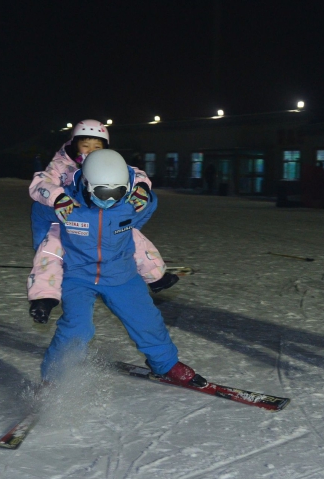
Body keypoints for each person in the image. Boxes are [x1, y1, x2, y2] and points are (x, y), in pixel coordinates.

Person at [34, 149, 206, 387]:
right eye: (104, 192)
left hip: (121, 274)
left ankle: (165, 364)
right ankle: (53, 378)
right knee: (77, 327)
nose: (112, 198)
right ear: (86, 183)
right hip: (77, 276)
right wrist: (44, 295)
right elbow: (43, 227)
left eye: (119, 192)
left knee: (146, 319)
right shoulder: (67, 205)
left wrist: (144, 190)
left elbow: (139, 225)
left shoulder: (129, 204)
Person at [28, 120, 178, 324]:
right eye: (85, 145)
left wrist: (141, 188)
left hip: (106, 215)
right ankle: (43, 298)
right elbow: (40, 184)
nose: (90, 151)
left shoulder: (109, 162)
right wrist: (57, 197)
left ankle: (156, 276)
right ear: (74, 144)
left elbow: (136, 174)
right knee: (51, 250)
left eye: (97, 147)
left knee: (132, 238)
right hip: (69, 219)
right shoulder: (61, 165)